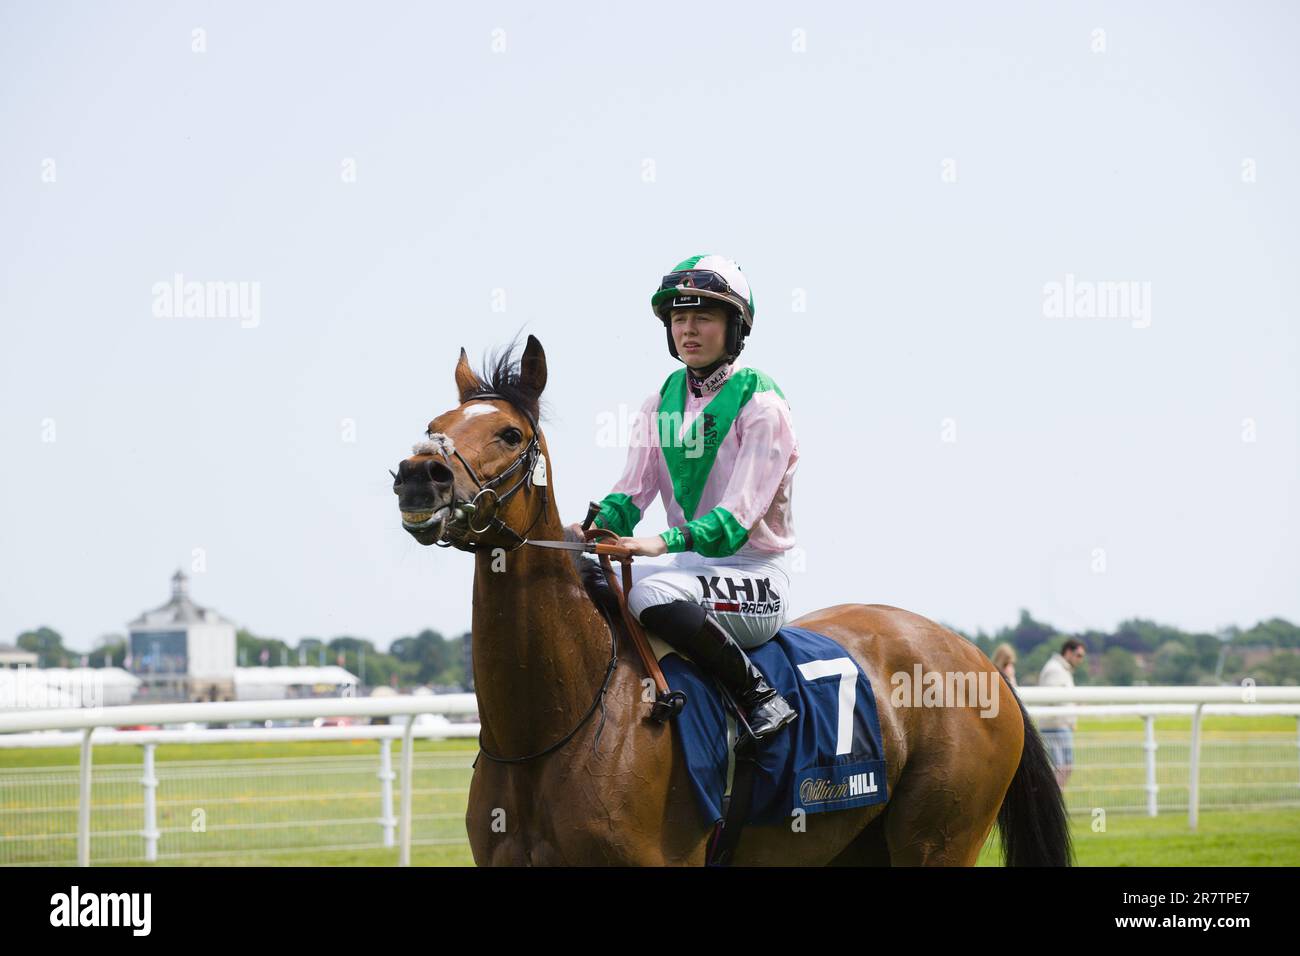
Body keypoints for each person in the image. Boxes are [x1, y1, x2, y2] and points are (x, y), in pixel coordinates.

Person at [569, 255, 800, 740]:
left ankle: (759, 696)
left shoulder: (763, 405)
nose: (688, 330)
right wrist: (589, 532)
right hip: (689, 569)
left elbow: (734, 521)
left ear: (734, 328)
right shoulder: (661, 401)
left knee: (649, 592)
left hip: (754, 575)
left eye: (703, 317)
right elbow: (631, 494)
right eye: (679, 319)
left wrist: (659, 542)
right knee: (585, 574)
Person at [1037, 639, 1086, 789]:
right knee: (1060, 768)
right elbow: (1055, 700)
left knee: (1065, 767)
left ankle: (1054, 804)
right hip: (1055, 727)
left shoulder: (1061, 669)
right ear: (1068, 652)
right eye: (1078, 655)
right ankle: (1051, 804)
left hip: (1061, 726)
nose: (1080, 660)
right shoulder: (1055, 669)